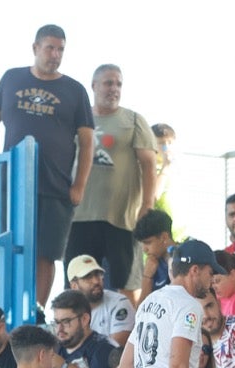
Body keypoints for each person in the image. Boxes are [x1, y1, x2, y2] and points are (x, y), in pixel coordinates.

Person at [0, 24, 94, 304]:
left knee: (45, 254)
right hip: (12, 184)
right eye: (50, 48)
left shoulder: (75, 90)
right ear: (35, 48)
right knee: (11, 247)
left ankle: (36, 312)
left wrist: (79, 185)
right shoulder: (11, 78)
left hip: (55, 186)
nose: (55, 54)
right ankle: (9, 308)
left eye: (60, 49)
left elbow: (87, 142)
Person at [68, 64, 156, 295]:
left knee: (126, 284)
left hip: (121, 219)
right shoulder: (76, 119)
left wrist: (147, 205)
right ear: (94, 86)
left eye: (118, 84)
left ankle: (129, 322)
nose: (114, 89)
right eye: (108, 83)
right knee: (78, 286)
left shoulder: (133, 120)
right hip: (79, 216)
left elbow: (149, 164)